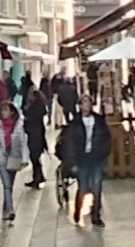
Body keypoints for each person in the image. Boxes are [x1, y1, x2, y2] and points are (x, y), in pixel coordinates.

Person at [62, 92, 112, 227]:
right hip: (81, 158)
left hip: (96, 158)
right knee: (83, 187)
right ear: (79, 105)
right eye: (84, 102)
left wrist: (104, 154)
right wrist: (72, 162)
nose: (87, 105)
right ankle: (78, 211)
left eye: (89, 102)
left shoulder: (99, 121)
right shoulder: (75, 123)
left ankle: (96, 215)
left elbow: (106, 138)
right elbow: (70, 143)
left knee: (97, 187)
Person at [0, 98, 29, 224]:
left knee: (9, 186)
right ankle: (11, 210)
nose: (3, 112)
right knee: (6, 184)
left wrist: (24, 159)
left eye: (6, 110)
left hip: (13, 158)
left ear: (12, 112)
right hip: (0, 159)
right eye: (2, 110)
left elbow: (23, 143)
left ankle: (5, 211)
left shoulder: (18, 127)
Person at [23, 85, 50, 188]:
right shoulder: (39, 107)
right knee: (35, 157)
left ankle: (37, 178)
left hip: (35, 135)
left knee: (34, 157)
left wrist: (26, 117)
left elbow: (30, 120)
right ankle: (39, 176)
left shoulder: (34, 108)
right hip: (38, 134)